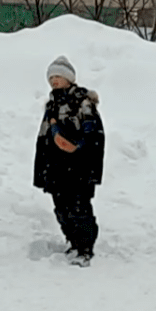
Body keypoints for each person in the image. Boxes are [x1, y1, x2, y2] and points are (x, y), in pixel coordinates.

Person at [33, 55, 105, 266]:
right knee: (61, 207)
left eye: (58, 76)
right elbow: (43, 139)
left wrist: (80, 151)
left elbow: (92, 136)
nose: (54, 80)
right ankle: (73, 242)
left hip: (79, 168)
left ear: (69, 78)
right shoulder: (52, 106)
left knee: (79, 208)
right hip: (56, 168)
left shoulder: (82, 102)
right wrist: (42, 169)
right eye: (51, 77)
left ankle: (85, 248)